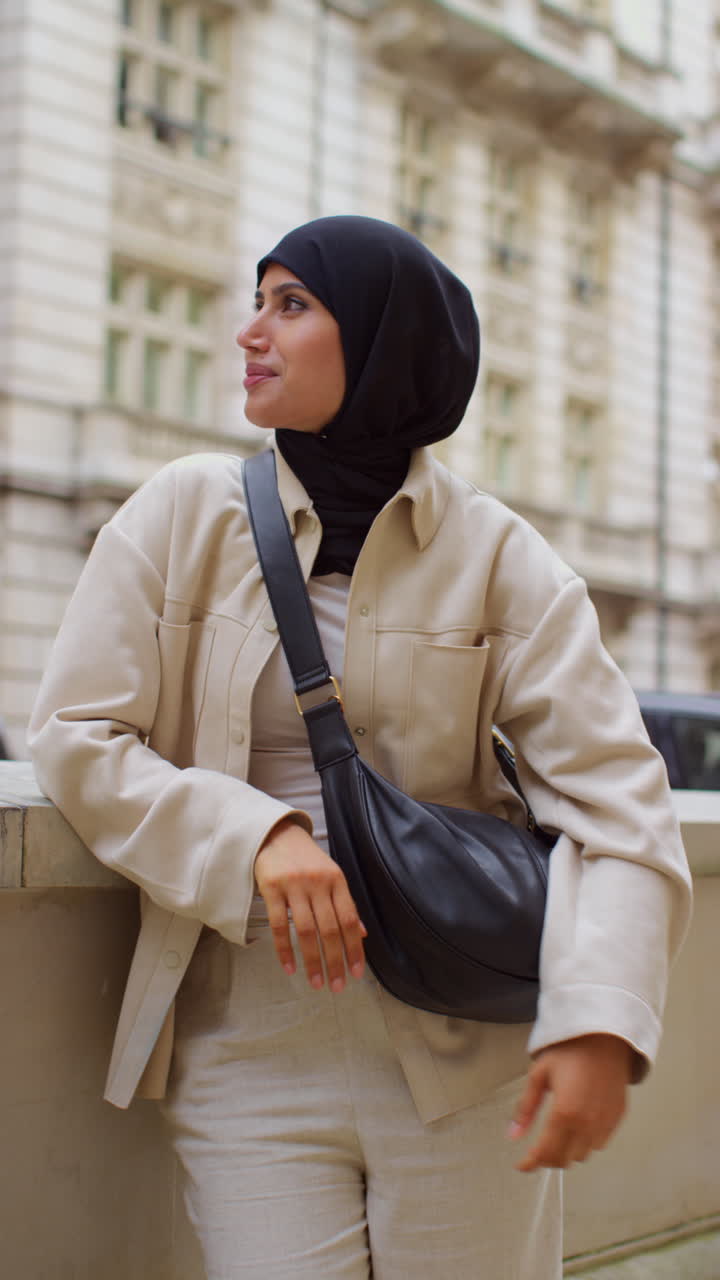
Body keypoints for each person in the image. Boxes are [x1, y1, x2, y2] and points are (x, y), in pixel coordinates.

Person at [29, 216, 691, 1280]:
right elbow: (76, 736)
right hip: (245, 1042)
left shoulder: (503, 558)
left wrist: (600, 1020)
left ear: (387, 344)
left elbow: (619, 805)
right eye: (258, 300)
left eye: (292, 305)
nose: (252, 330)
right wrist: (255, 834)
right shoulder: (177, 517)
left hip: (467, 1049)